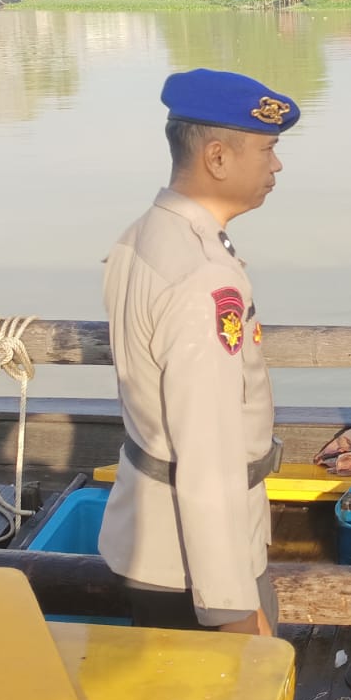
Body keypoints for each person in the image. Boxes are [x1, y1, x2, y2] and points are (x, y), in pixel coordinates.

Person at [97, 67, 299, 637]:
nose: (276, 165)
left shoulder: (144, 235)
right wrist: (233, 609)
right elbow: (208, 456)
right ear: (217, 157)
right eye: (267, 149)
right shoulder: (205, 279)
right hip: (195, 564)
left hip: (157, 536)